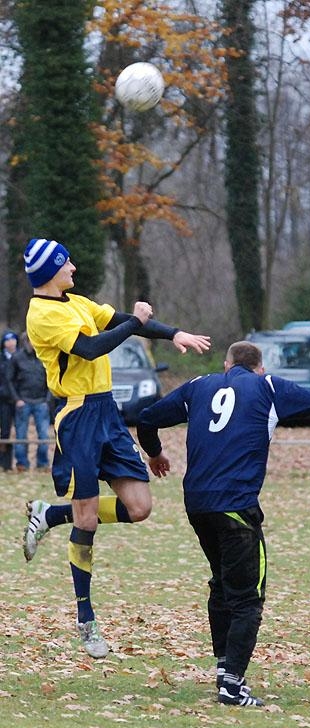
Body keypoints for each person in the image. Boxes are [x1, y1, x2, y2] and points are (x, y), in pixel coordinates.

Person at [133, 340, 310, 708]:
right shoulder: (268, 386)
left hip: (197, 503)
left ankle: (224, 668)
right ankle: (232, 685)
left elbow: (147, 418)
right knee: (247, 597)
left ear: (227, 365)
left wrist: (156, 452)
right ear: (260, 367)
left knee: (223, 585)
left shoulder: (198, 386)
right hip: (236, 505)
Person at [22, 236, 211, 658]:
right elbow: (91, 347)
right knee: (86, 520)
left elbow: (123, 319)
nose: (72, 266)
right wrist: (134, 324)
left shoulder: (77, 301)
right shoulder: (42, 313)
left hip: (108, 411)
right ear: (50, 269)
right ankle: (86, 620)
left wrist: (173, 332)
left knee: (140, 507)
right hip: (78, 418)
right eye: (65, 261)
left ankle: (49, 514)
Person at [7, 331, 51, 472]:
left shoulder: (44, 357)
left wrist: (47, 400)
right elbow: (9, 380)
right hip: (23, 402)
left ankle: (42, 464)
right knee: (21, 434)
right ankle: (22, 464)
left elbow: (51, 379)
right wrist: (17, 399)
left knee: (43, 435)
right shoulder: (17, 358)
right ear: (26, 342)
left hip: (41, 401)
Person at [0, 331, 18, 471]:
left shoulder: (21, 357)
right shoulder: (2, 358)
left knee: (19, 431)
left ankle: (21, 463)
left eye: (13, 339)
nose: (11, 342)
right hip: (4, 400)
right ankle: (5, 464)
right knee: (5, 431)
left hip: (20, 399)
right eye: (7, 340)